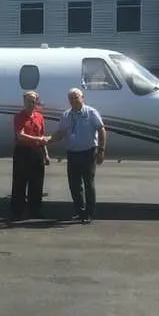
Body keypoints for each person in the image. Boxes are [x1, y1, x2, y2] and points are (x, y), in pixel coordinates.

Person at [47, 87, 106, 223]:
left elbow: (101, 130)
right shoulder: (66, 115)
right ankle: (80, 211)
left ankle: (89, 213)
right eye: (71, 99)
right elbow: (61, 133)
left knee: (88, 184)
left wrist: (101, 150)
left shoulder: (91, 113)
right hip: (72, 154)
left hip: (88, 153)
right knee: (74, 184)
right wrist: (49, 139)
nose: (74, 101)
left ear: (82, 98)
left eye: (76, 98)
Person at [10, 90, 49, 220]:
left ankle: (35, 210)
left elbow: (42, 136)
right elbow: (20, 136)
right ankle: (17, 212)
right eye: (28, 101)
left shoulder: (39, 117)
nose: (31, 104)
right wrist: (38, 140)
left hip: (36, 152)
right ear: (24, 102)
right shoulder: (19, 117)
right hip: (22, 152)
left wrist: (46, 154)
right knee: (19, 183)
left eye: (33, 102)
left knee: (37, 184)